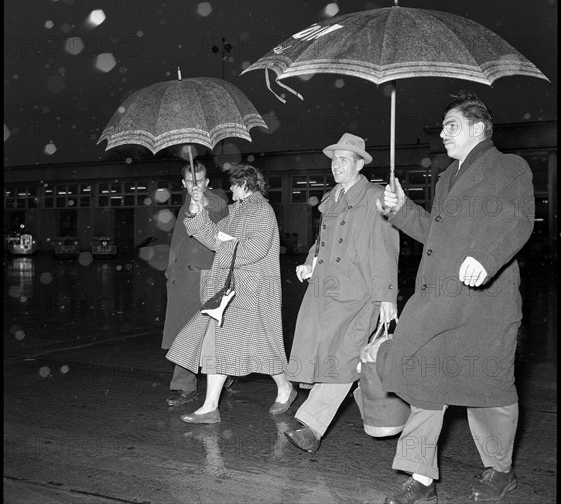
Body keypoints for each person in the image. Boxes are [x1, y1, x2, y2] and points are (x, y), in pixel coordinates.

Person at [377, 91, 535, 504]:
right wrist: (402, 209)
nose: (443, 133)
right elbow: (438, 235)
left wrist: (486, 258)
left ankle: (500, 470)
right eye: (443, 126)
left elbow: (518, 219)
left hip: (485, 303)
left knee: (489, 391)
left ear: (478, 128)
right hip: (442, 302)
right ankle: (421, 478)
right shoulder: (448, 176)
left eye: (452, 125)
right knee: (426, 378)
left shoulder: (509, 167)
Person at [283, 132, 399, 454]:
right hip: (327, 291)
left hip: (360, 294)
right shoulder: (331, 199)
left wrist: (387, 296)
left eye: (343, 159)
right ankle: (379, 410)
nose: (336, 165)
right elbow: (321, 243)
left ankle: (311, 425)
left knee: (344, 356)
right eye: (333, 159)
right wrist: (310, 263)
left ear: (359, 164)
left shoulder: (376, 197)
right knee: (333, 355)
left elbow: (386, 250)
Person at [166, 164, 294, 423]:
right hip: (232, 290)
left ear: (245, 185)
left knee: (260, 345)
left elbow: (255, 249)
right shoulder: (236, 212)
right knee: (222, 342)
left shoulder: (262, 210)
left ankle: (285, 388)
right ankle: (211, 406)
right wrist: (196, 216)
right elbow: (213, 238)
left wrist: (226, 247)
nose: (231, 189)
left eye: (234, 185)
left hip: (253, 289)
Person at [161, 160, 228, 406]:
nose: (195, 185)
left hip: (208, 278)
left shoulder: (217, 199)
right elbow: (176, 243)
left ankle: (224, 374)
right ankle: (184, 387)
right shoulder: (182, 208)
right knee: (182, 333)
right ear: (183, 183)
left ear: (207, 182)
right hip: (182, 280)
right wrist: (170, 272)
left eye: (199, 181)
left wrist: (203, 202)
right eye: (190, 181)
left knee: (214, 333)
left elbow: (219, 210)